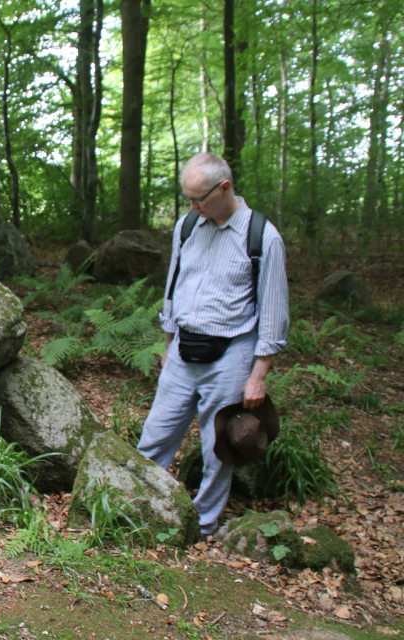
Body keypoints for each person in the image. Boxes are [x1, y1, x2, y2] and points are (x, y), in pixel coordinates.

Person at [137, 152, 289, 537]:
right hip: (183, 350)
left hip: (231, 354)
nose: (193, 206)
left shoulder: (262, 237)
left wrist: (259, 374)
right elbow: (173, 285)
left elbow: (273, 310)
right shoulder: (188, 226)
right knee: (155, 435)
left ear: (224, 188)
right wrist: (169, 341)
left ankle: (203, 526)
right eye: (187, 199)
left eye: (199, 199)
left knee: (217, 448)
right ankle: (134, 506)